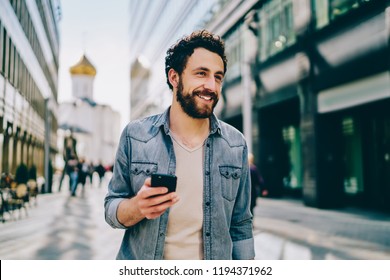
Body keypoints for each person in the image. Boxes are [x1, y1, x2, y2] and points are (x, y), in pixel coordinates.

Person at [104, 30, 254, 260]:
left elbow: (241, 223)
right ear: (174, 77)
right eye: (201, 73)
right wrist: (137, 208)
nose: (211, 86)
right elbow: (111, 208)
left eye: (218, 77)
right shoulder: (135, 135)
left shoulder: (236, 144)